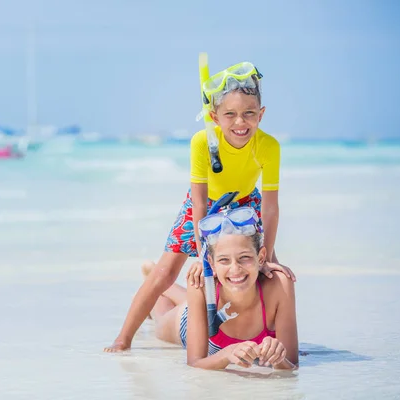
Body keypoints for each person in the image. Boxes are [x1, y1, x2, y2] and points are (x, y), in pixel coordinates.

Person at [105, 60, 294, 352]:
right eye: (229, 114)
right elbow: (199, 203)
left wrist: (268, 254)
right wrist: (204, 255)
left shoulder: (269, 146)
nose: (240, 122)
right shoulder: (201, 142)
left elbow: (269, 209)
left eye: (249, 114)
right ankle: (124, 337)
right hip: (204, 204)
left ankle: (280, 335)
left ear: (262, 114)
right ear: (214, 117)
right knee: (167, 273)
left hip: (246, 203)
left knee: (265, 269)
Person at [141, 212, 298, 370]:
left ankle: (154, 274)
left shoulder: (280, 285)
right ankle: (156, 281)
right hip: (193, 322)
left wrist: (279, 357)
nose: (235, 269)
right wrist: (227, 354)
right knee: (160, 319)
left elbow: (292, 364)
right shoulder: (202, 284)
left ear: (261, 257)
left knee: (190, 300)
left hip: (213, 304)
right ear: (212, 263)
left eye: (244, 257)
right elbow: (195, 362)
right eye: (224, 260)